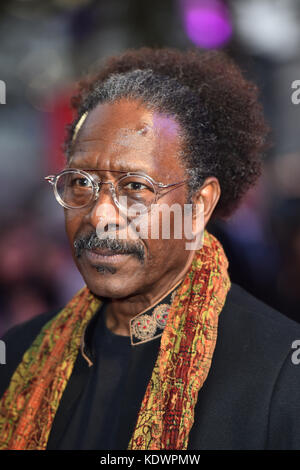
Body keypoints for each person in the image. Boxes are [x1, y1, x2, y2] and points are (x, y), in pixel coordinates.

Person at [1, 47, 300, 451]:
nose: (100, 214)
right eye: (81, 183)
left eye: (135, 187)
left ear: (199, 205)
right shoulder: (21, 356)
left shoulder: (280, 373)